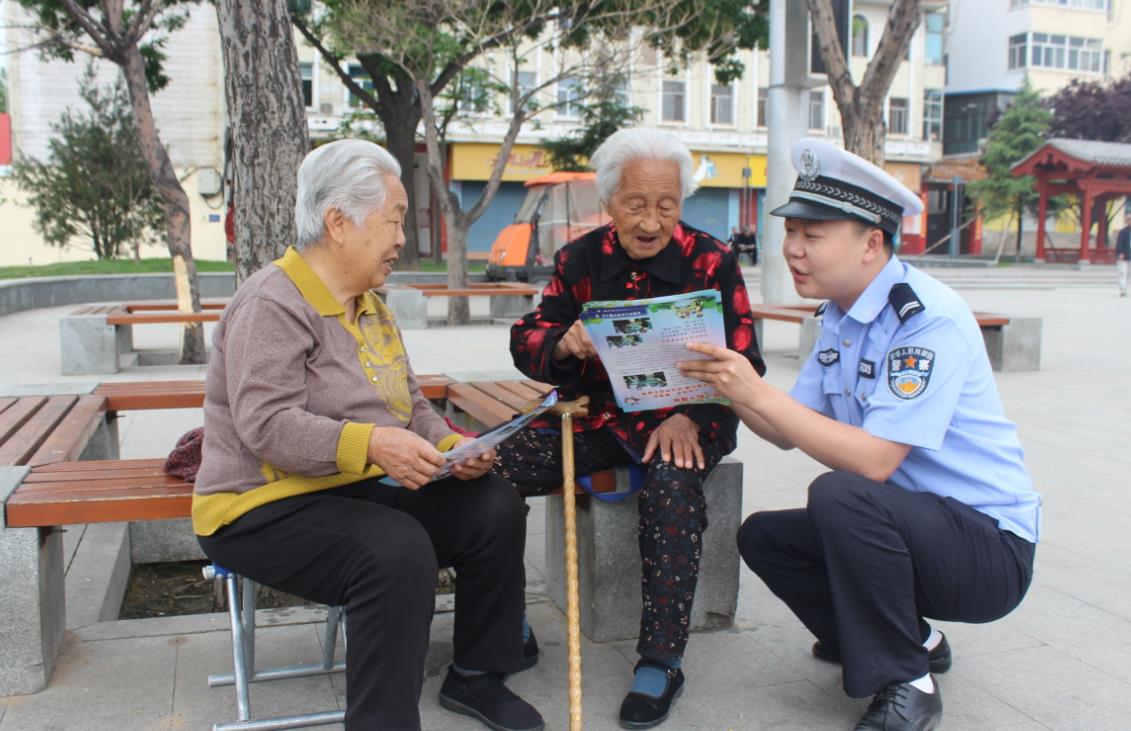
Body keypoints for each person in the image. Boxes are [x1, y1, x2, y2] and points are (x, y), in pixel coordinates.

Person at [679, 138, 1041, 731]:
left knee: (841, 493)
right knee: (766, 538)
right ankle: (913, 640)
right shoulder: (841, 315)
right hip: (915, 527)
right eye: (790, 232)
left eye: (812, 234)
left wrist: (755, 390)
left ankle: (908, 684)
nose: (793, 249)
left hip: (987, 549)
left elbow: (874, 463)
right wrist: (723, 385)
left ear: (872, 242)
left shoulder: (925, 319)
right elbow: (786, 429)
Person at [192, 139, 544, 731]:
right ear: (338, 222)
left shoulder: (370, 306)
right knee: (394, 548)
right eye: (394, 220)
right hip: (257, 506)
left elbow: (409, 406)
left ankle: (478, 673)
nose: (402, 237)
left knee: (493, 505)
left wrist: (452, 448)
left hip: (348, 486)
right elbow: (267, 426)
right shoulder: (271, 303)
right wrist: (374, 445)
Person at [497, 127, 764, 730]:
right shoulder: (579, 260)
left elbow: (747, 362)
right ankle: (503, 620)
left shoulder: (712, 261)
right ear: (609, 201)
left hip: (687, 417)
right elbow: (527, 338)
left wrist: (695, 415)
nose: (651, 222)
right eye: (636, 204)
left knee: (673, 484)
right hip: (599, 415)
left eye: (667, 205)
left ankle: (661, 660)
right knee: (491, 468)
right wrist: (562, 344)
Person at [1116, 213, 1130, 296]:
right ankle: (1122, 289)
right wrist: (1120, 253)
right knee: (1122, 273)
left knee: (1128, 274)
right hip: (1124, 256)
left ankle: (1126, 288)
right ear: (1127, 221)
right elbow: (1119, 243)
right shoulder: (1123, 232)